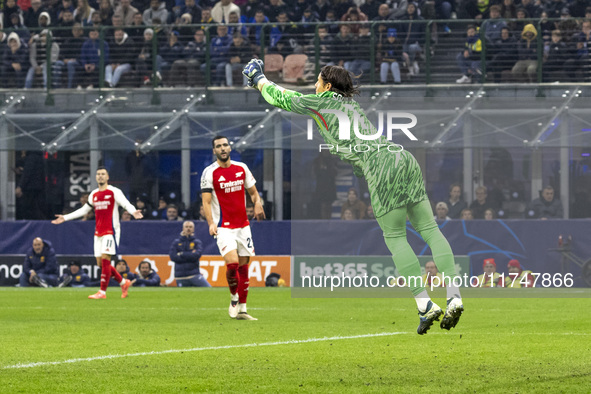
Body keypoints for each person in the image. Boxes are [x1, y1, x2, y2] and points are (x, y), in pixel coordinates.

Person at [243, 60, 463, 334]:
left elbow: (284, 97)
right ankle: (454, 296)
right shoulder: (352, 106)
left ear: (327, 86)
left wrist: (259, 79)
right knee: (430, 229)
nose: (314, 86)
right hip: (402, 157)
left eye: (317, 81)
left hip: (381, 166)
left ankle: (425, 305)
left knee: (395, 237)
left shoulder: (322, 103)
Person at [51, 166, 141, 299]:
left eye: (103, 174)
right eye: (98, 174)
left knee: (105, 260)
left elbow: (125, 204)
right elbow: (83, 211)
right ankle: (123, 282)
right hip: (98, 232)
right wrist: (65, 217)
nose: (100, 176)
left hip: (111, 231)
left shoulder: (114, 191)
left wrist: (133, 211)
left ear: (108, 177)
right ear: (95, 177)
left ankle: (102, 292)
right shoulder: (94, 194)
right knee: (101, 264)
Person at [201, 135, 265, 320]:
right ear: (214, 150)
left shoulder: (242, 168)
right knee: (233, 264)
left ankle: (243, 310)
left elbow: (253, 193)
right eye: (218, 146)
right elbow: (206, 202)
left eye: (225, 145)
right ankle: (234, 296)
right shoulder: (209, 173)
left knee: (244, 267)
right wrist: (211, 223)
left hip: (243, 225)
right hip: (223, 227)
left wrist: (258, 203)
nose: (222, 148)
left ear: (230, 148)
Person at [169, 220, 210, 287]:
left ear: (193, 229)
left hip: (194, 275)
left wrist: (181, 254)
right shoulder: (176, 242)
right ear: (183, 228)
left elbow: (196, 255)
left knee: (209, 289)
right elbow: (173, 257)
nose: (188, 228)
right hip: (180, 276)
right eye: (186, 227)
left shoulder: (197, 242)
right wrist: (190, 254)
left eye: (190, 227)